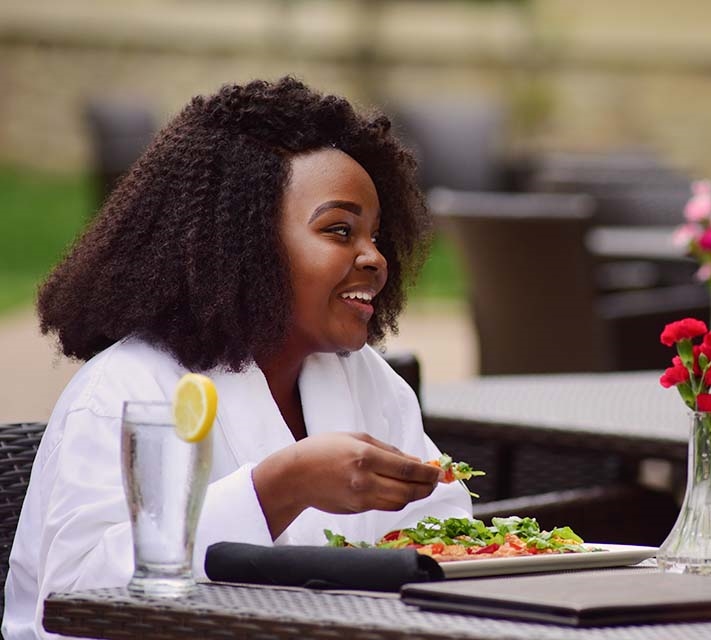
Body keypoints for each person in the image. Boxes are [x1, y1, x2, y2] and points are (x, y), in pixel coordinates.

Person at [3, 78, 472, 638]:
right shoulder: (129, 392)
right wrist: (278, 488)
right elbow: (78, 605)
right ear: (243, 243)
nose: (373, 257)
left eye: (376, 235)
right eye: (339, 230)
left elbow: (442, 537)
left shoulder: (367, 379)